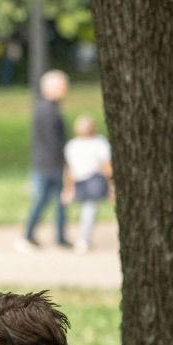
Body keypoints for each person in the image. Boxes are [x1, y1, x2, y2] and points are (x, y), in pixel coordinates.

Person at [19, 69, 69, 250]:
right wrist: (64, 163)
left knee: (57, 202)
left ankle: (59, 236)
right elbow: (53, 140)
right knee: (44, 200)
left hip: (47, 162)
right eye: (63, 86)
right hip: (50, 164)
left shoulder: (46, 108)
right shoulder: (49, 110)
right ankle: (30, 235)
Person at [61, 112, 113, 254]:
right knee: (89, 209)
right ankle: (84, 238)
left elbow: (69, 170)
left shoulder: (72, 145)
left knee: (87, 208)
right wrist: (111, 185)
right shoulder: (99, 143)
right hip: (93, 179)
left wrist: (68, 188)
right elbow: (106, 165)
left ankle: (84, 237)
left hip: (82, 180)